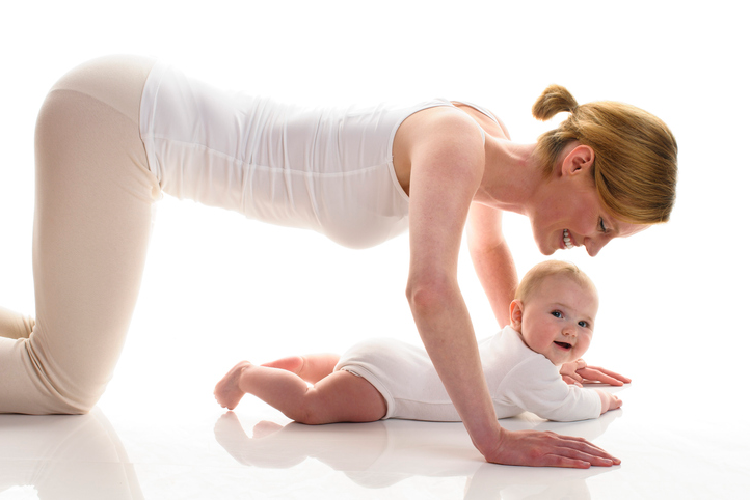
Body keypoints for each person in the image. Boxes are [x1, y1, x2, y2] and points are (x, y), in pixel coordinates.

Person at [0, 55, 677, 468]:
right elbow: (430, 291)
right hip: (121, 124)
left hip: (129, 112)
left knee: (51, 341)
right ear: (579, 162)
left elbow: (488, 249)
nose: (593, 249)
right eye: (606, 224)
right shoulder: (457, 142)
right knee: (62, 384)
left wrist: (537, 352)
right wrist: (491, 437)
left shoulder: (484, 143)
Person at [214, 260, 626, 424]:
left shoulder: (513, 344)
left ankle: (309, 363)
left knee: (345, 368)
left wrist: (560, 365)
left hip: (390, 356)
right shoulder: (530, 369)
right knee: (311, 407)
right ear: (517, 314)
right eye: (558, 314)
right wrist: (604, 401)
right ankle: (248, 376)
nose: (572, 330)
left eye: (585, 322)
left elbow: (530, 374)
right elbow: (567, 408)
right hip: (387, 387)